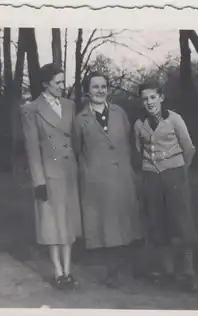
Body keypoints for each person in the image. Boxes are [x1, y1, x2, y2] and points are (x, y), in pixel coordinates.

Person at [73, 72, 142, 288]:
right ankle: (112, 271)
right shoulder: (80, 119)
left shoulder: (120, 113)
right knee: (106, 225)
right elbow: (78, 149)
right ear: (87, 91)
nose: (100, 90)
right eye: (95, 87)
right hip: (98, 179)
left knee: (125, 221)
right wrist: (87, 173)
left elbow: (129, 142)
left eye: (104, 86)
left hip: (122, 175)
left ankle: (132, 267)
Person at [21, 63, 82, 290]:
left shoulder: (69, 105)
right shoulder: (31, 109)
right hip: (48, 173)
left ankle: (68, 270)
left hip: (68, 172)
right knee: (52, 224)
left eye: (63, 82)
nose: (62, 86)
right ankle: (58, 272)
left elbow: (73, 140)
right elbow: (32, 148)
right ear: (45, 84)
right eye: (57, 82)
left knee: (67, 223)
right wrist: (38, 181)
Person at [133, 81, 198, 293]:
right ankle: (167, 271)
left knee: (182, 222)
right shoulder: (138, 124)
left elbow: (188, 148)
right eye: (145, 99)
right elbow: (138, 150)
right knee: (157, 222)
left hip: (174, 174)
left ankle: (187, 273)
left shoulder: (174, 119)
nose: (149, 102)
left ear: (161, 98)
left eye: (153, 97)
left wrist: (180, 172)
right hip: (151, 176)